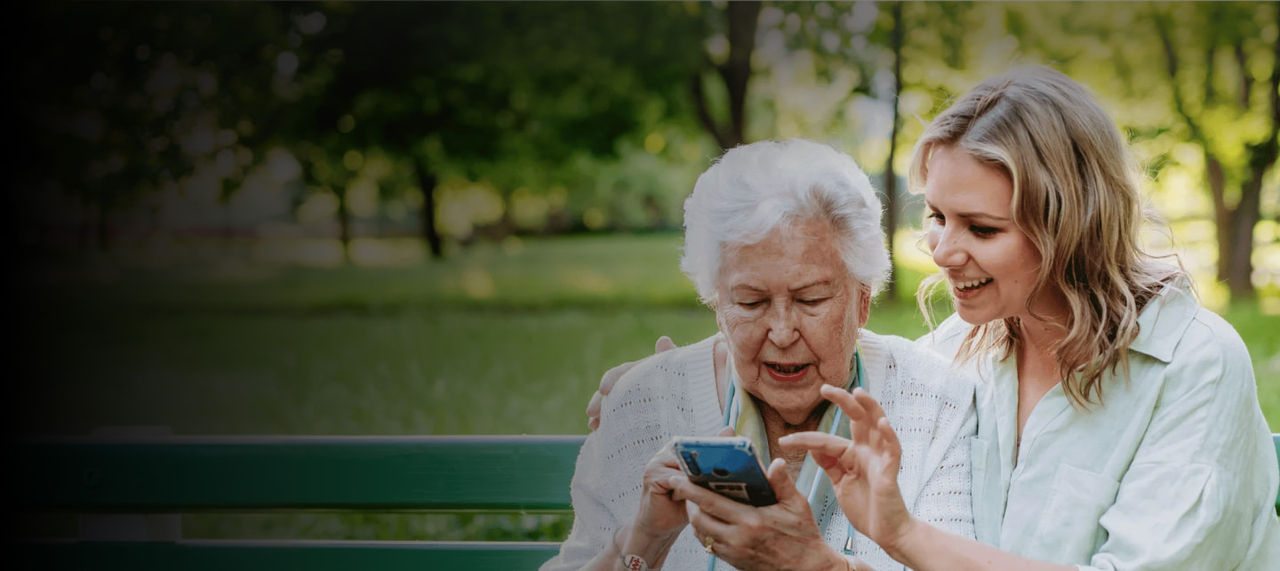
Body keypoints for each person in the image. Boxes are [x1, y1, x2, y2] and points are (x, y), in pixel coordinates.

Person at [589, 67, 1280, 569]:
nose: (943, 252)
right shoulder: (964, 347)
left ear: (1072, 226)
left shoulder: (1191, 364)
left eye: (980, 227)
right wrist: (663, 378)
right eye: (938, 216)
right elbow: (849, 350)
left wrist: (895, 537)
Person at [542, 139, 977, 571]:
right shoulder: (645, 401)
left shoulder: (933, 402)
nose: (783, 333)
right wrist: (646, 539)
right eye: (750, 303)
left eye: (811, 300)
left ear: (863, 300)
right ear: (717, 305)